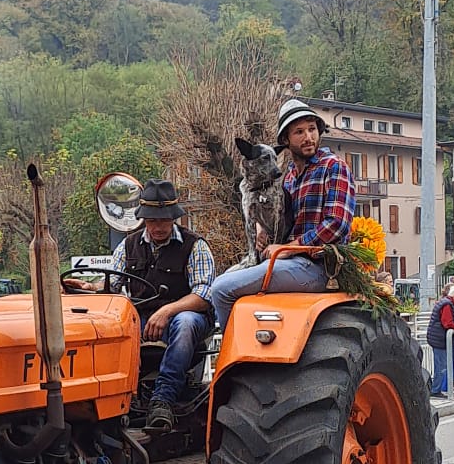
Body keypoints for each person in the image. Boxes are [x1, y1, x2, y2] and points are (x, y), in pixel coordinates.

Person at [197, 98, 355, 333]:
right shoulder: (288, 176)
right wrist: (262, 229)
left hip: (320, 267)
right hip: (287, 262)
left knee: (222, 289)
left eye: (312, 129)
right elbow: (282, 217)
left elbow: (337, 224)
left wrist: (290, 248)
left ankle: (239, 348)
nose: (308, 137)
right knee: (217, 284)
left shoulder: (333, 166)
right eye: (299, 132)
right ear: (285, 140)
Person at [108, 179, 215, 432]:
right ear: (144, 219)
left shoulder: (195, 245)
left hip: (185, 320)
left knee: (185, 322)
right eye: (152, 220)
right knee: (111, 326)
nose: (158, 226)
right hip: (142, 321)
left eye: (163, 220)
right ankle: (119, 398)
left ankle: (162, 400)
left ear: (173, 218)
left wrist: (167, 311)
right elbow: (111, 285)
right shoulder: (128, 246)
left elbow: (203, 295)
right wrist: (85, 287)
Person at [427, 283, 454, 395]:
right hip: (439, 339)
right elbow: (447, 323)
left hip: (444, 338)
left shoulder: (451, 304)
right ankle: (436, 390)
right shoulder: (447, 304)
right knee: (441, 366)